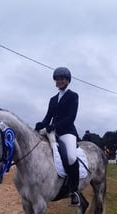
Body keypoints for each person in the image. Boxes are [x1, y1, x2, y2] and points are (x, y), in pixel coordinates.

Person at [35, 67, 81, 206]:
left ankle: (74, 191)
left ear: (67, 80)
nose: (59, 81)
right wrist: (41, 124)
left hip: (67, 132)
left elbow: (71, 117)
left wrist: (55, 126)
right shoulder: (53, 99)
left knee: (72, 157)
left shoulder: (73, 96)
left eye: (62, 78)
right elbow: (48, 117)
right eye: (57, 79)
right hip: (52, 132)